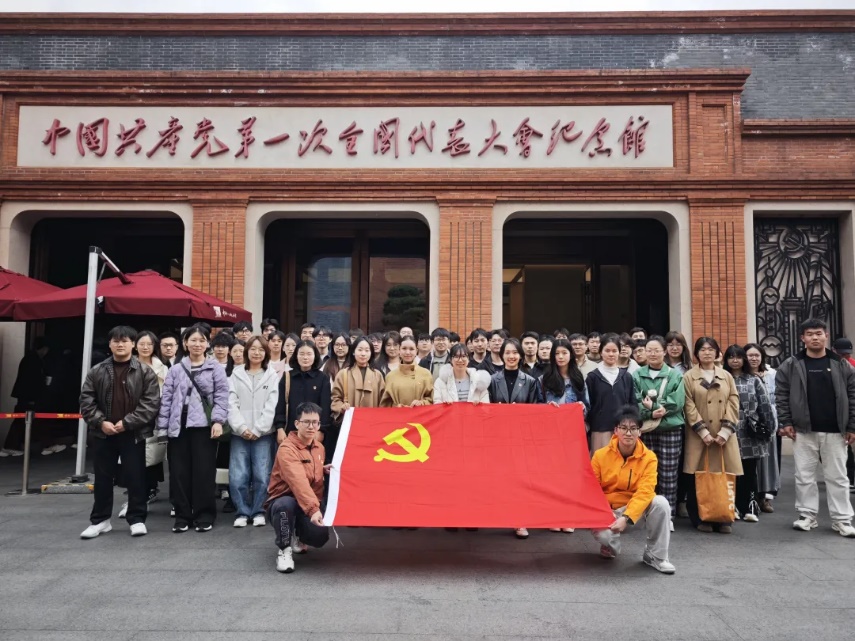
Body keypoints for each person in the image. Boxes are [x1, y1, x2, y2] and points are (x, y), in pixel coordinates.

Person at [775, 318, 855, 537]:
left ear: (826, 336)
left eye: (819, 333)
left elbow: (853, 395)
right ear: (802, 338)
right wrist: (786, 422)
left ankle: (842, 519)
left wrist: (852, 426)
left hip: (836, 430)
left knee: (838, 477)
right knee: (804, 475)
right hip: (803, 430)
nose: (815, 338)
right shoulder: (792, 364)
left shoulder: (841, 364)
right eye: (810, 334)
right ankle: (807, 515)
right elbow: (781, 394)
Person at [79, 326, 160, 539]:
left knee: (136, 476)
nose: (120, 344)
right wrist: (100, 422)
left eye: (124, 341)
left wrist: (127, 422)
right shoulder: (97, 370)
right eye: (116, 341)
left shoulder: (144, 372)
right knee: (103, 478)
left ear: (133, 344)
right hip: (103, 433)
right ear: (110, 344)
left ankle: (137, 519)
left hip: (133, 433)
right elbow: (86, 400)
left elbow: (151, 403)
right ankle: (100, 520)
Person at [156, 324, 230, 533]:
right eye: (193, 340)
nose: (197, 344)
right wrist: (162, 429)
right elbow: (166, 400)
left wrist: (218, 421)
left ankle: (204, 515)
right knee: (179, 473)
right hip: (178, 426)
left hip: (203, 427)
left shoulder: (215, 368)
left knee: (203, 472)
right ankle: (182, 516)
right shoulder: (176, 369)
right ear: (185, 343)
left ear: (207, 344)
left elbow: (222, 397)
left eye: (202, 340)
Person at [590, 406, 675, 574]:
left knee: (661, 503)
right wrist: (604, 513)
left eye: (633, 428)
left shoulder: (649, 458)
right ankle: (609, 545)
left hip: (635, 512)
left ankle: (655, 556)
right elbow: (593, 490)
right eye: (623, 428)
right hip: (608, 511)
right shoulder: (600, 456)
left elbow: (646, 491)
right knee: (604, 536)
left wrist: (627, 517)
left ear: (640, 432)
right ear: (616, 430)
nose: (628, 433)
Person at [682, 337, 742, 533]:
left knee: (725, 476)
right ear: (696, 354)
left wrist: (726, 431)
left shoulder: (726, 376)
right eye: (702, 349)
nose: (707, 352)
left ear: (717, 353)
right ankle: (700, 517)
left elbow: (734, 402)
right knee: (698, 476)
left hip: (723, 436)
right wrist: (702, 431)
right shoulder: (689, 377)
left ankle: (724, 518)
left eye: (711, 349)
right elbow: (688, 405)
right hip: (699, 436)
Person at [265, 402, 330, 573]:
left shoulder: (319, 448)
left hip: (307, 501)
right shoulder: (286, 448)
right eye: (306, 422)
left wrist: (321, 469)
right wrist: (313, 509)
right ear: (297, 423)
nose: (311, 426)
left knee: (319, 537)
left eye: (315, 422)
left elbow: (307, 469)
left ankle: (299, 536)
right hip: (284, 498)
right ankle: (284, 549)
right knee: (285, 505)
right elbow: (297, 480)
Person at [488, 337, 541, 539]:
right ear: (502, 355)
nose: (511, 356)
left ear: (521, 355)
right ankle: (499, 515)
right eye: (508, 353)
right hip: (498, 436)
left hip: (520, 437)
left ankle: (520, 520)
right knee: (500, 477)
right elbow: (486, 409)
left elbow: (535, 411)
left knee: (520, 479)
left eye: (515, 353)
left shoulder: (530, 381)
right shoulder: (492, 380)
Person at [227, 335, 279, 528]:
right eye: (253, 349)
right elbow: (231, 403)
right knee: (238, 475)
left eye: (261, 349)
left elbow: (272, 405)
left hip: (263, 434)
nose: (257, 353)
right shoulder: (236, 374)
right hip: (239, 433)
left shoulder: (271, 375)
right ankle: (242, 511)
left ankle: (258, 511)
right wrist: (241, 427)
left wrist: (258, 429)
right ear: (247, 351)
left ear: (266, 353)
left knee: (262, 474)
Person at [633, 336, 686, 524]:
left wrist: (654, 406)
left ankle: (667, 516)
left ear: (664, 352)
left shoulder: (674, 375)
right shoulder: (637, 374)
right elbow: (634, 400)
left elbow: (677, 401)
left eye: (656, 350)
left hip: (670, 428)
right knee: (646, 473)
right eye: (649, 350)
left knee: (668, 474)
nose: (652, 354)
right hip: (647, 430)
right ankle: (647, 513)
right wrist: (649, 412)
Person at [723, 344, 775, 523]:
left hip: (749, 432)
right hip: (727, 431)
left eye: (738, 357)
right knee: (731, 471)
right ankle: (733, 505)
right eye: (731, 357)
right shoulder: (722, 378)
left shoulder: (754, 380)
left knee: (750, 471)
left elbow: (765, 406)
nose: (735, 360)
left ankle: (750, 506)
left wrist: (769, 428)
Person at [331, 336, 385, 455]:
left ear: (371, 353)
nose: (363, 354)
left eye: (367, 350)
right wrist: (341, 407)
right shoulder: (343, 374)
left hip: (372, 426)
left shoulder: (378, 375)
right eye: (360, 350)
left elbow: (383, 402)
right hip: (349, 426)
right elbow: (335, 398)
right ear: (353, 351)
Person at [273, 340, 331, 448]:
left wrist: (322, 430)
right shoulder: (287, 377)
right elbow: (280, 404)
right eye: (302, 354)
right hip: (290, 432)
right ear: (296, 355)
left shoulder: (322, 378)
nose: (305, 357)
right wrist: (280, 428)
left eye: (309, 354)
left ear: (315, 356)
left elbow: (325, 406)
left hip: (314, 432)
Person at [133, 331, 169, 505]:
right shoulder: (128, 365)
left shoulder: (163, 368)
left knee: (152, 454)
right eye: (142, 344)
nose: (145, 347)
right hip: (132, 417)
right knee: (134, 455)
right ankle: (136, 492)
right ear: (135, 345)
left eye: (149, 344)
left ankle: (150, 489)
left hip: (155, 417)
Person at [745, 342, 779, 513]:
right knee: (751, 465)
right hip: (748, 426)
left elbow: (778, 398)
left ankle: (766, 497)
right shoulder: (742, 376)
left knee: (768, 463)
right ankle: (750, 498)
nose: (753, 358)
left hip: (768, 424)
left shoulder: (772, 374)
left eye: (757, 355)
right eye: (750, 355)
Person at [586, 334, 635, 452]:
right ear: (601, 352)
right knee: (601, 461)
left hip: (623, 429)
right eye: (607, 351)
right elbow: (588, 405)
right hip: (600, 429)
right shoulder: (592, 377)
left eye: (614, 351)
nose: (611, 354)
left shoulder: (626, 377)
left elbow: (632, 403)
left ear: (619, 352)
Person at [380, 336, 434, 407]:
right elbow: (385, 404)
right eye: (404, 348)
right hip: (397, 414)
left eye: (411, 349)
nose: (407, 352)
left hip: (419, 413)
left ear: (416, 351)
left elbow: (432, 400)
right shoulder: (390, 376)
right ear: (399, 350)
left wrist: (421, 403)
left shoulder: (425, 374)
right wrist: (396, 407)